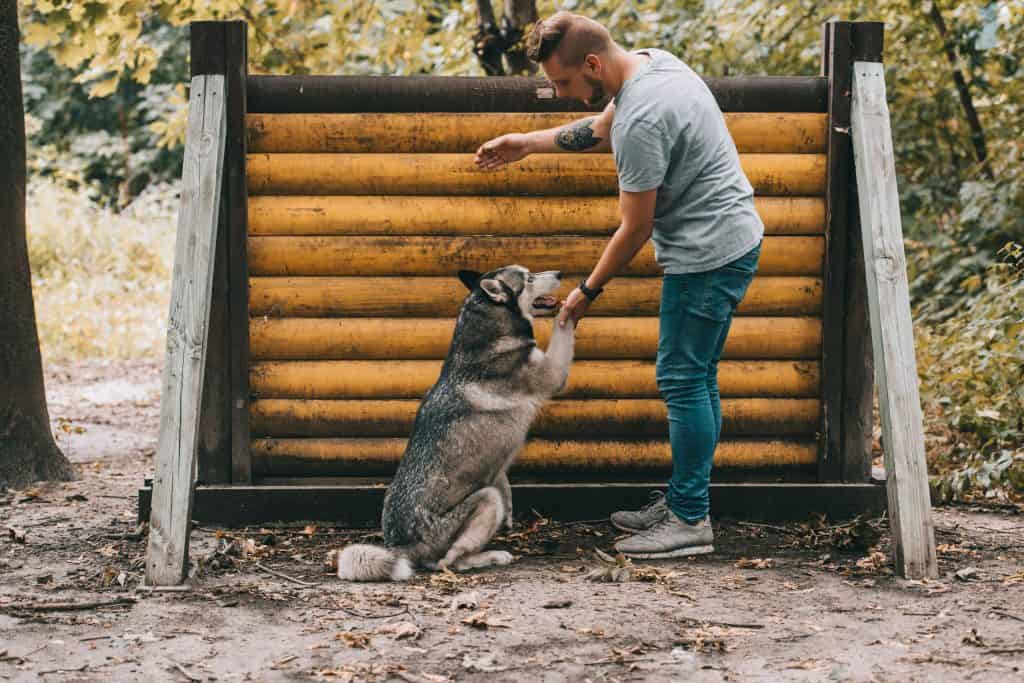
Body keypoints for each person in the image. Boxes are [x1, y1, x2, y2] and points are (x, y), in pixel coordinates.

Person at [473, 11, 764, 559]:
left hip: (709, 255)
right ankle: (686, 499)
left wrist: (586, 291)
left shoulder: (644, 118)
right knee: (696, 376)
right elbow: (598, 129)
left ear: (591, 63)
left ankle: (689, 520)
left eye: (563, 83)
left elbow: (636, 227)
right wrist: (526, 143)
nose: (561, 95)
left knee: (682, 378)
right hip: (728, 240)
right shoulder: (652, 66)